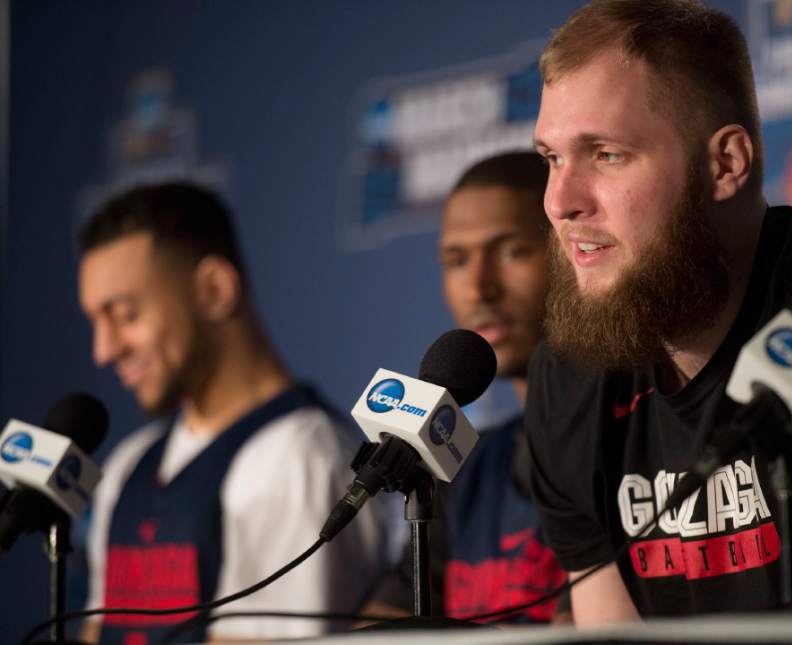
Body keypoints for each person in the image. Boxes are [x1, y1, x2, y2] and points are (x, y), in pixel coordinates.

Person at [526, 0, 792, 626]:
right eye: (551, 158)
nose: (559, 201)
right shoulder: (572, 369)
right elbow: (611, 631)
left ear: (725, 164)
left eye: (605, 154)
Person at [76, 182, 393, 643]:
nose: (103, 351)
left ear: (214, 289)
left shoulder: (297, 456)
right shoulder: (130, 462)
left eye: (125, 315)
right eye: (95, 322)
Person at [363, 152, 568, 624]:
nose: (479, 287)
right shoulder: (466, 468)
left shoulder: (633, 435)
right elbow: (381, 624)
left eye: (512, 251)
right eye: (456, 260)